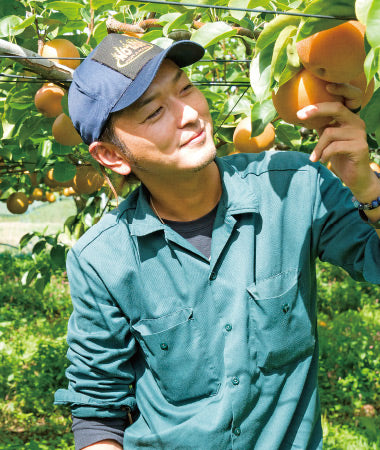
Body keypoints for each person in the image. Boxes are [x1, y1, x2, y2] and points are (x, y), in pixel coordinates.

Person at [55, 32, 380, 450]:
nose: (189, 114)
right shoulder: (101, 258)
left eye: (186, 89)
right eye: (154, 113)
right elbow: (97, 409)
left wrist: (368, 187)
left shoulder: (294, 186)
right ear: (112, 156)